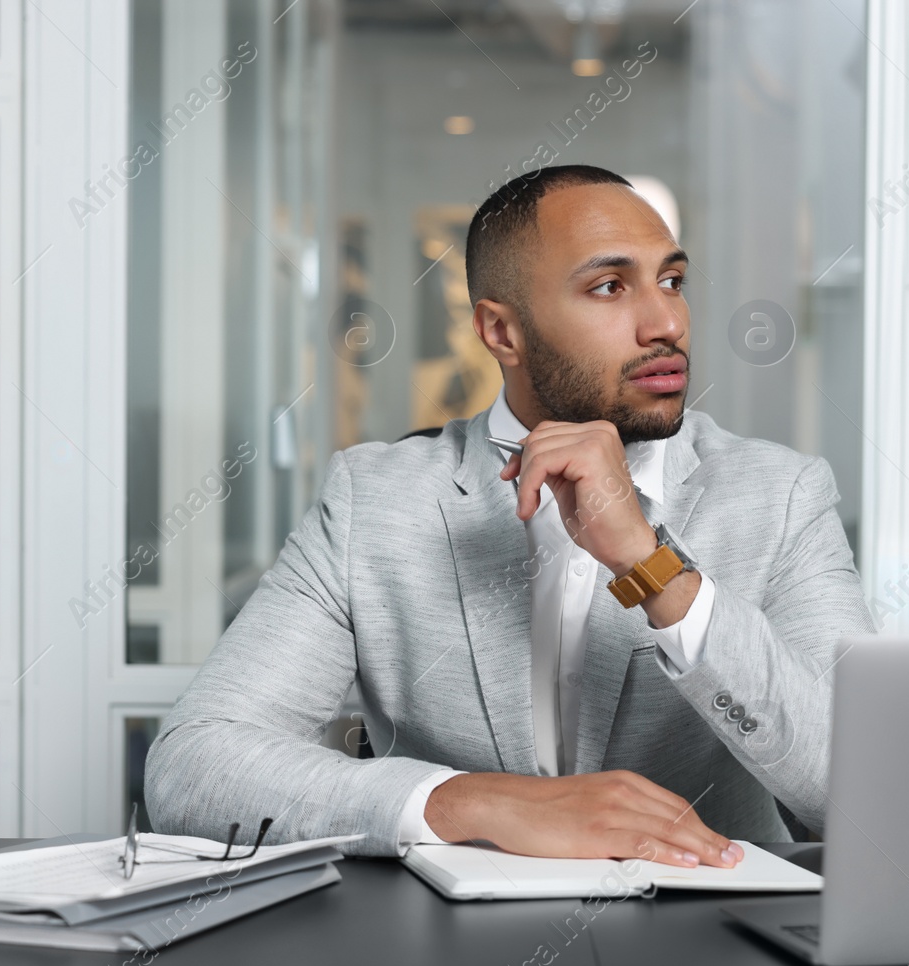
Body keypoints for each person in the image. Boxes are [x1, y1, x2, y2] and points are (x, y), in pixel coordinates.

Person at [145, 164, 872, 868]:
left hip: (714, 948)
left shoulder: (780, 494)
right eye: (610, 286)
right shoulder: (377, 498)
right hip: (444, 958)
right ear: (502, 333)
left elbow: (861, 795)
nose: (666, 321)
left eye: (673, 280)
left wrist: (652, 565)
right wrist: (478, 803)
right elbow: (193, 765)